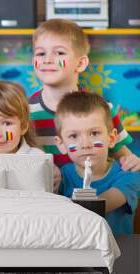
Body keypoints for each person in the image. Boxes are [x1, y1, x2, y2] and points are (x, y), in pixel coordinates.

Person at [29, 18, 140, 171]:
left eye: (59, 52)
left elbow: (123, 156)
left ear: (80, 64)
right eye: (41, 53)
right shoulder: (24, 110)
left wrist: (132, 161)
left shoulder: (102, 108)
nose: (47, 60)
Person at [55, 92, 140, 235]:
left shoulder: (128, 174)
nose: (85, 144)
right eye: (74, 136)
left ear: (112, 138)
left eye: (94, 133)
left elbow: (104, 203)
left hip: (118, 253)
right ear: (61, 144)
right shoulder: (62, 176)